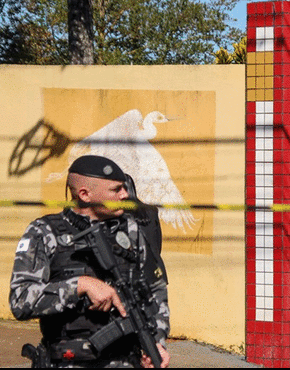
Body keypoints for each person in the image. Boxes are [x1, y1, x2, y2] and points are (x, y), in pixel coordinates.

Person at [9, 155, 170, 368]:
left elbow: (155, 291)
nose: (125, 194)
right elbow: (20, 301)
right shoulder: (44, 232)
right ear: (85, 194)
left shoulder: (131, 231)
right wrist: (79, 286)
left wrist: (157, 342)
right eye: (116, 189)